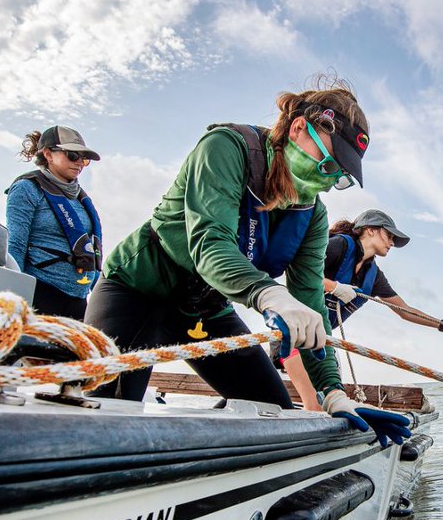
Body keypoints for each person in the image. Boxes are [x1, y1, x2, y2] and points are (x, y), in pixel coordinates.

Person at [83, 78, 409, 447]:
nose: (329, 179)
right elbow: (210, 244)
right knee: (103, 416)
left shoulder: (313, 217)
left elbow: (311, 304)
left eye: (339, 177)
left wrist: (332, 393)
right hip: (138, 290)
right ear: (300, 128)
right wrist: (271, 296)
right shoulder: (226, 148)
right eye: (329, 164)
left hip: (205, 313)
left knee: (272, 410)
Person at [281, 209, 443, 410]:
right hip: (292, 335)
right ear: (370, 230)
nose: (392, 242)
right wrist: (335, 287)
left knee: (330, 407)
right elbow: (298, 268)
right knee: (315, 407)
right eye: (389, 235)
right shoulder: (338, 245)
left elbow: (404, 310)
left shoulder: (373, 277)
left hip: (322, 343)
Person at [5, 126, 103, 319]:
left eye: (84, 158)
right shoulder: (26, 189)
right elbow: (15, 245)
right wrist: (14, 298)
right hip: (41, 294)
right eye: (72, 155)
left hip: (79, 299)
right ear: (48, 154)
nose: (80, 163)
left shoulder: (80, 199)